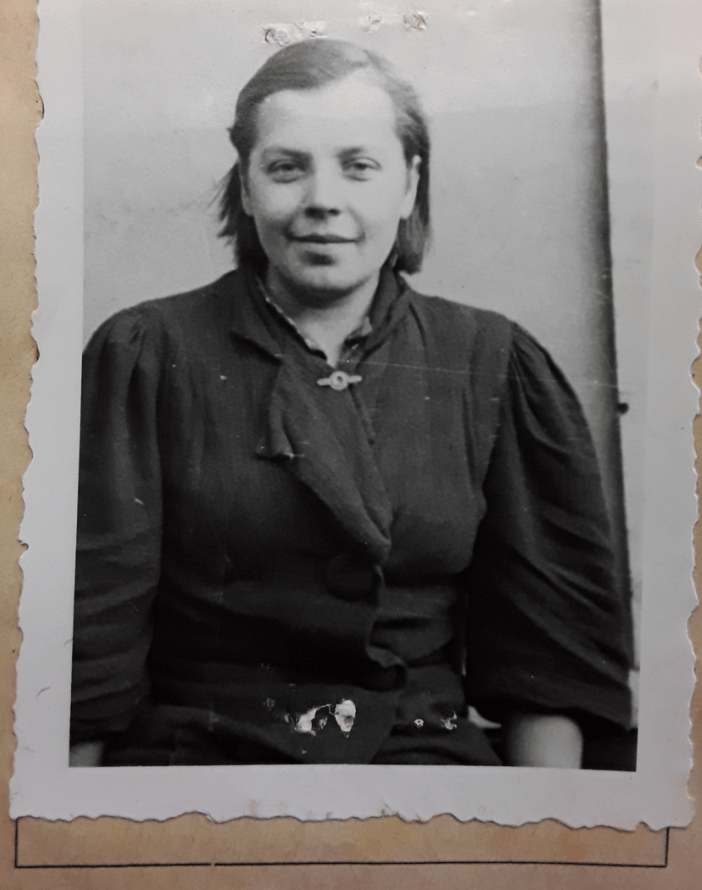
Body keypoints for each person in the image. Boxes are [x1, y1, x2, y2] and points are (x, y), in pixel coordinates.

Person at [69, 38, 632, 768]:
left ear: (408, 185)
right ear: (246, 187)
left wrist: (538, 828)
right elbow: (91, 645)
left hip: (419, 764)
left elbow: (549, 659)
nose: (322, 199)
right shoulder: (145, 354)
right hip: (195, 765)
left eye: (358, 166)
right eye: (286, 167)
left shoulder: (492, 362)